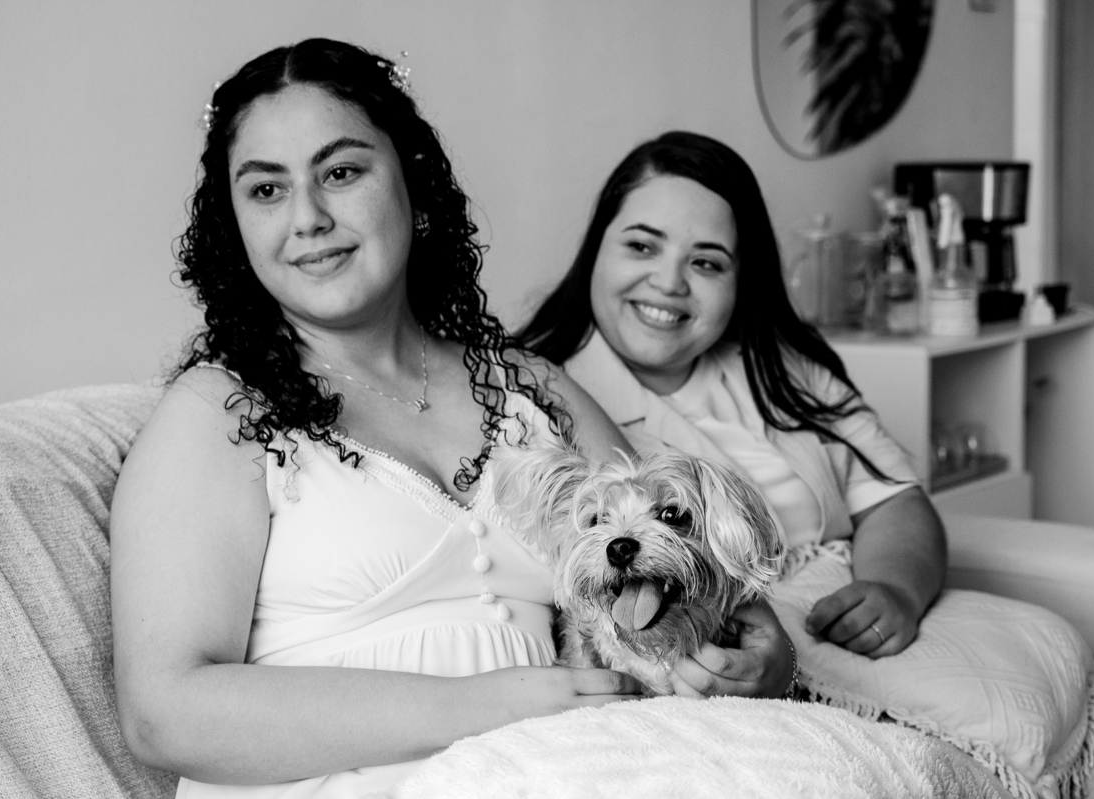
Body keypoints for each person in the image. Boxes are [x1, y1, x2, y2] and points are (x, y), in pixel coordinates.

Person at [110, 42, 794, 798]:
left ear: (414, 183)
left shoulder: (531, 387)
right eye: (267, 190)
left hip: (576, 769)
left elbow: (678, 543)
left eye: (341, 172)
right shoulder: (216, 414)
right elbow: (163, 714)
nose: (307, 218)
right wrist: (478, 708)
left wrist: (766, 653)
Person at [519, 131, 947, 661]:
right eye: (642, 246)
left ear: (742, 281)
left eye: (706, 263)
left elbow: (895, 500)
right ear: (595, 250)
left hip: (851, 641)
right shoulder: (530, 401)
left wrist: (894, 591)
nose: (669, 282)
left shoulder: (784, 371)